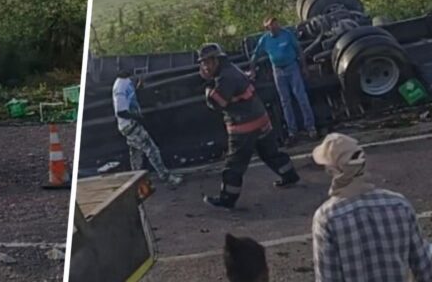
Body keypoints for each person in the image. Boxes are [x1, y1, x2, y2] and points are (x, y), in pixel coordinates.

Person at [312, 133, 432, 281]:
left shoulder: (327, 217)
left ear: (332, 171)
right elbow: (426, 270)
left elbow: (328, 277)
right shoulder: (399, 205)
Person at [198, 43, 299, 209]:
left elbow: (219, 102)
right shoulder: (232, 69)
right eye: (203, 63)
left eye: (207, 62)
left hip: (243, 126)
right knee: (270, 152)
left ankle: (228, 198)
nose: (205, 67)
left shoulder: (225, 78)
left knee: (234, 164)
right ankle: (289, 175)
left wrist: (208, 89)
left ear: (216, 60)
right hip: (260, 118)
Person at [249, 17, 316, 144]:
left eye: (276, 24)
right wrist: (252, 69)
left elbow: (299, 50)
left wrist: (304, 67)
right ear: (267, 28)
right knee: (285, 101)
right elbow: (255, 55)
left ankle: (310, 127)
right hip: (278, 70)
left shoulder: (287, 34)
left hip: (292, 67)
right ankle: (292, 131)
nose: (275, 26)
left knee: (301, 97)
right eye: (272, 25)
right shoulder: (265, 40)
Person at [113, 70, 182, 187]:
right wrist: (138, 117)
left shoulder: (126, 81)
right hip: (130, 125)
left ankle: (136, 182)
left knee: (136, 153)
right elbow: (120, 111)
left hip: (129, 124)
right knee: (152, 150)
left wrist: (138, 88)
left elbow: (130, 97)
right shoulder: (120, 87)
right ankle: (166, 177)